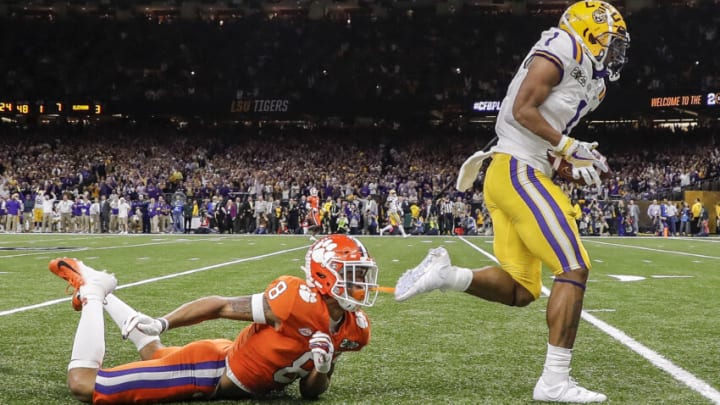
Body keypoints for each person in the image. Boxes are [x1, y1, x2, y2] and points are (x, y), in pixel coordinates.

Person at [395, 2, 629, 403]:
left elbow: (551, 138)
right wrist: (570, 147)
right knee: (574, 267)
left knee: (522, 289)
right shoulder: (563, 44)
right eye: (610, 42)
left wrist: (568, 163)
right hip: (517, 167)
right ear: (587, 32)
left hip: (521, 171)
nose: (615, 52)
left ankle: (446, 275)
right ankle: (554, 382)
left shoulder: (596, 83)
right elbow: (523, 110)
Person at [48, 234, 379, 403]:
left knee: (156, 355)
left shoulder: (355, 329)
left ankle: (102, 289)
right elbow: (220, 306)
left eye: (363, 274)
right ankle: (94, 292)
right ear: (324, 274)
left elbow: (310, 394)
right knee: (84, 385)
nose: (362, 283)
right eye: (353, 274)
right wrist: (164, 322)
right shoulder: (293, 300)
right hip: (212, 369)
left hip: (232, 357)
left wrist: (324, 367)